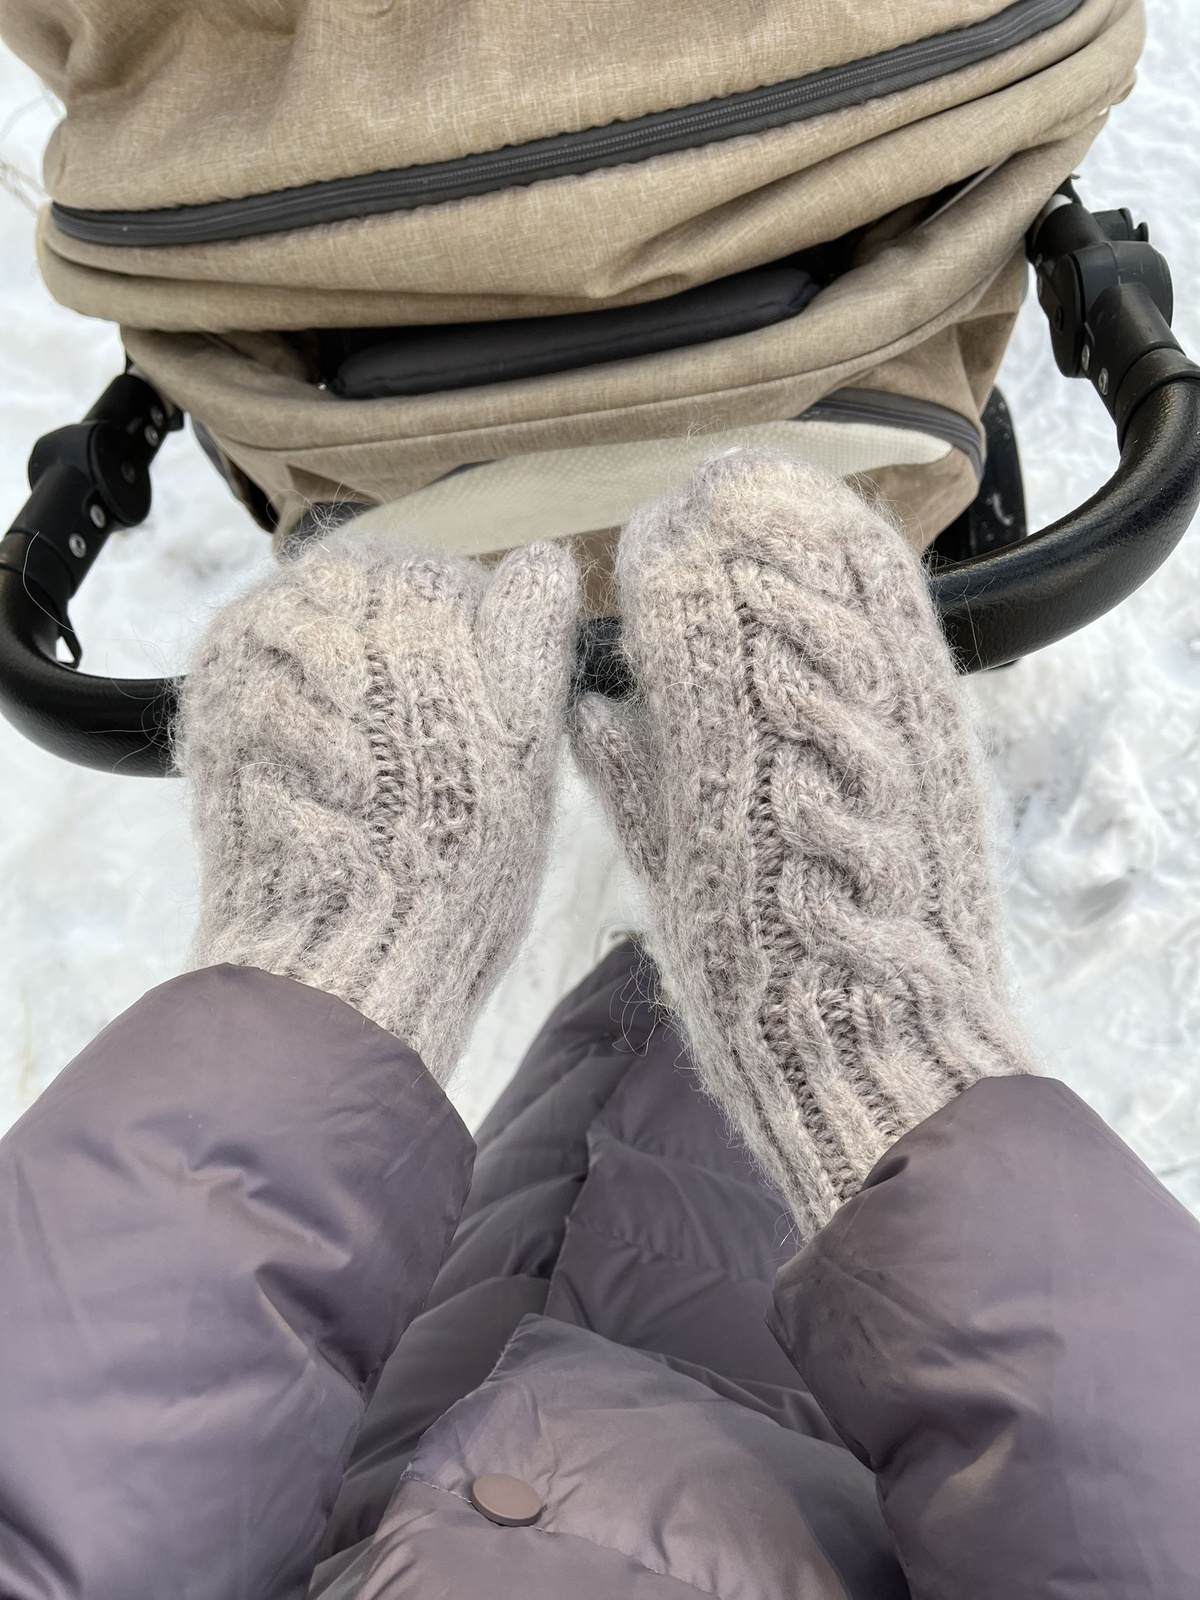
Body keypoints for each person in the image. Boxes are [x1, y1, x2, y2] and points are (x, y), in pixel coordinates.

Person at [0, 453, 1196, 1600]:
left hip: (361, 1431)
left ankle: (679, 964)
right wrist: (876, 1046)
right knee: (715, 1133)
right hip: (831, 1460)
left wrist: (334, 955)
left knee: (613, 1100)